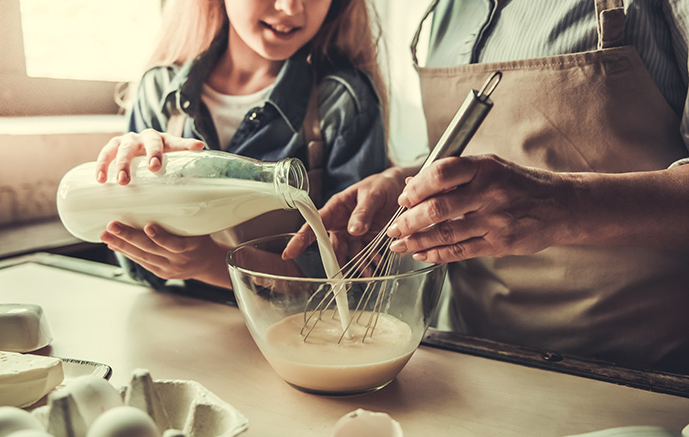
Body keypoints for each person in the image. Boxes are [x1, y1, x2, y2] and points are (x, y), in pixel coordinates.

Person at [285, 0, 689, 373]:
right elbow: (489, 146)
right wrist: (407, 181)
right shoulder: (446, 10)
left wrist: (564, 205)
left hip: (636, 376)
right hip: (468, 356)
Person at [95, 0, 389, 290]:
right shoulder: (158, 90)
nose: (290, 8)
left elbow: (354, 276)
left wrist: (212, 263)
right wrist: (132, 181)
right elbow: (140, 271)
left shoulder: (343, 101)